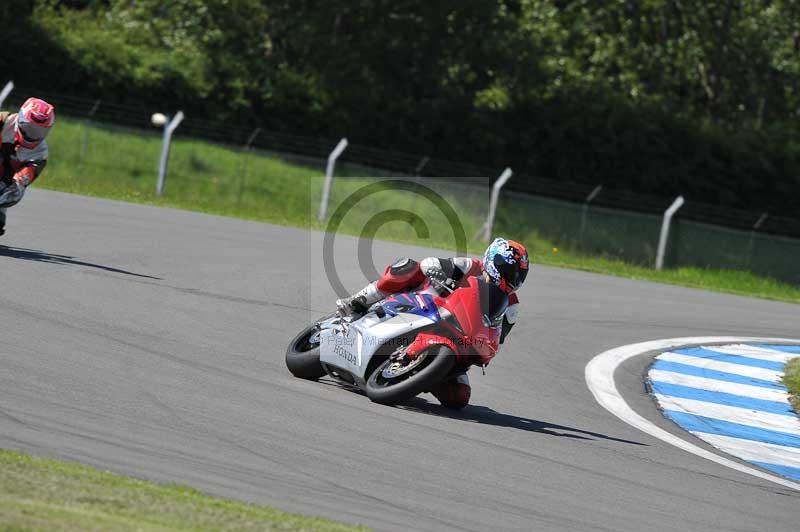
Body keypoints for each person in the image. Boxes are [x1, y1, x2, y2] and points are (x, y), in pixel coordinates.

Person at [337, 237, 529, 409]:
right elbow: (432, 264)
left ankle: (421, 375)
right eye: (508, 270)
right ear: (493, 260)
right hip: (426, 305)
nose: (512, 278)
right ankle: (359, 300)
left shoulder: (511, 305)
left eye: (518, 275)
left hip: (458, 342)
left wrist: (485, 350)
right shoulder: (470, 266)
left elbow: (498, 336)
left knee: (459, 398)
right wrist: (434, 268)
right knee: (408, 267)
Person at [0, 97, 56, 236]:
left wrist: (15, 188)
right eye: (29, 128)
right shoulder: (2, 121)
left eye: (39, 132)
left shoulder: (39, 153)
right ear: (20, 119)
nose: (33, 135)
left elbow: (22, 179)